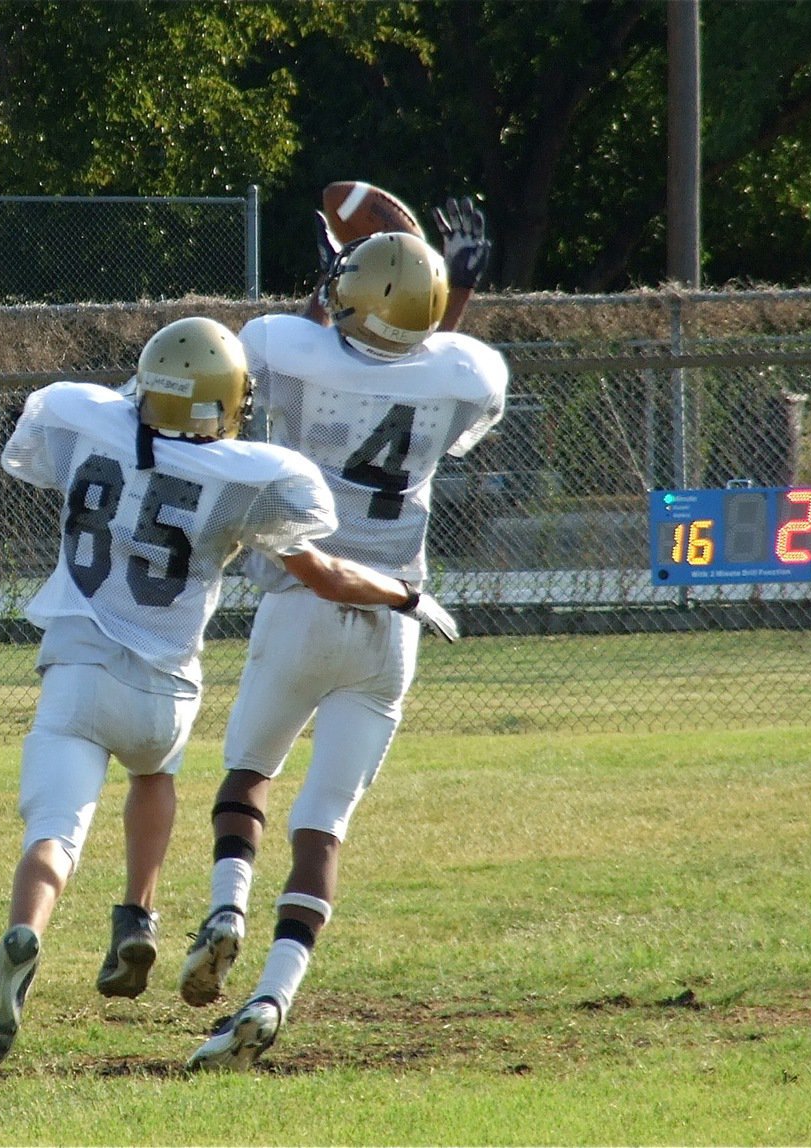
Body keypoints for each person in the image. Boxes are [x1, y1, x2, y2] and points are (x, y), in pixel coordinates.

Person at [0, 315, 458, 1069]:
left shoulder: (82, 419)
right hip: (163, 690)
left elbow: (82, 431)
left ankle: (27, 931)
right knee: (153, 776)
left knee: (53, 833)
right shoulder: (242, 477)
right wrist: (405, 596)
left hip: (76, 668)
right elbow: (325, 575)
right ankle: (137, 915)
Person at [181, 197, 508, 1072]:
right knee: (323, 824)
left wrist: (333, 275)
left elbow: (316, 352)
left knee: (248, 776)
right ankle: (274, 995)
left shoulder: (286, 346)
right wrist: (457, 289)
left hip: (302, 597)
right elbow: (411, 361)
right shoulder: (467, 370)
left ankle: (226, 909)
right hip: (396, 615)